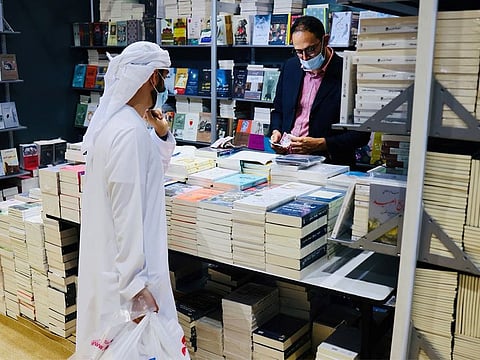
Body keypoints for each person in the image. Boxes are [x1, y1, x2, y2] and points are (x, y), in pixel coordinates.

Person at [74, 41, 189, 359]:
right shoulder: (129, 134)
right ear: (153, 78)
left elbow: (149, 173)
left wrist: (162, 133)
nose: (164, 85)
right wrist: (135, 287)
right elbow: (128, 214)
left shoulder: (123, 127)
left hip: (121, 275)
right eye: (164, 76)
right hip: (131, 283)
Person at [270, 15, 370, 167]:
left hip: (330, 164)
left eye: (311, 49)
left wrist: (323, 144)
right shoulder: (290, 67)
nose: (305, 57)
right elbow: (278, 111)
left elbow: (362, 133)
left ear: (325, 40)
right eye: (298, 51)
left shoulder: (349, 73)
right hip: (288, 160)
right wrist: (276, 131)